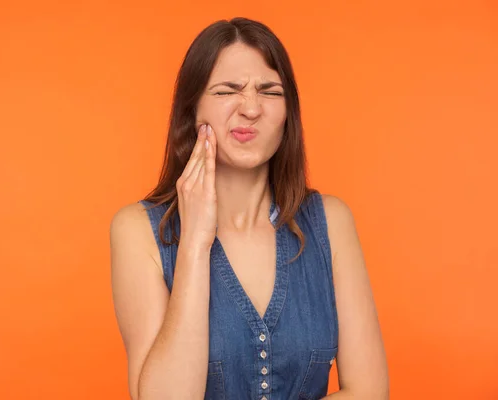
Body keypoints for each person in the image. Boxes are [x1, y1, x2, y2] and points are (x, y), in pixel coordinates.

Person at [110, 17, 389, 400]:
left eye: (270, 91)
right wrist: (194, 243)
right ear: (192, 110)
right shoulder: (137, 230)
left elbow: (370, 392)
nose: (251, 108)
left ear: (288, 112)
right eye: (228, 91)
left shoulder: (331, 222)